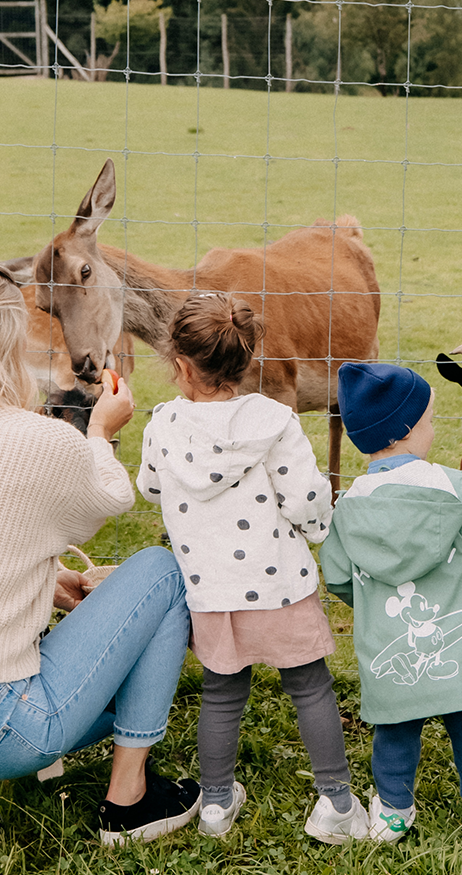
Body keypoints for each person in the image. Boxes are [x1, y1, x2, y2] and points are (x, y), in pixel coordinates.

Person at [0, 261, 199, 852]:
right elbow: (110, 495)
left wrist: (43, 583)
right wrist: (100, 431)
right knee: (161, 574)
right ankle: (129, 803)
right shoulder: (34, 440)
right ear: (9, 340)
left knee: (100, 632)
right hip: (1, 722)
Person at [136, 292, 360, 842]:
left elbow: (149, 485)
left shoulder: (162, 425)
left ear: (180, 365)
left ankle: (214, 804)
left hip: (211, 592)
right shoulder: (274, 421)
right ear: (247, 360)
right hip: (279, 583)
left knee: (221, 693)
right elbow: (306, 497)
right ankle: (337, 802)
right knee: (310, 687)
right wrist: (319, 532)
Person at [321, 362, 462, 848]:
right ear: (410, 429)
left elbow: (337, 576)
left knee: (394, 730)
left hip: (395, 650)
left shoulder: (347, 506)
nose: (433, 430)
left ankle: (393, 811)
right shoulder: (453, 488)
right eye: (430, 420)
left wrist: (370, 597)